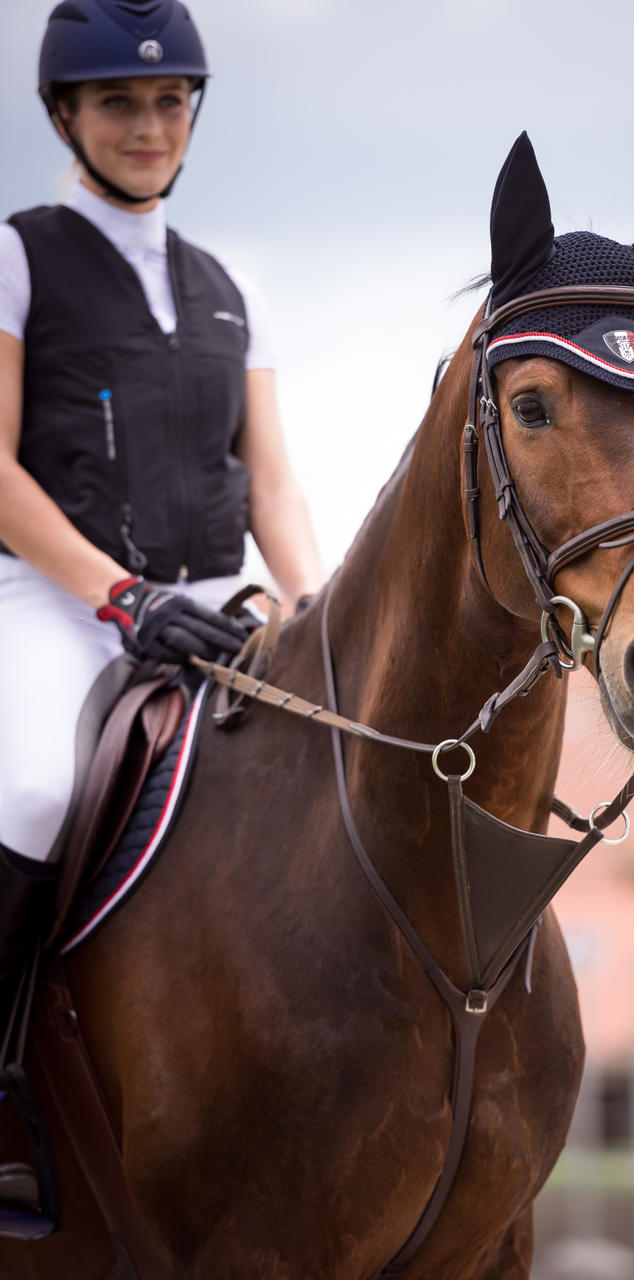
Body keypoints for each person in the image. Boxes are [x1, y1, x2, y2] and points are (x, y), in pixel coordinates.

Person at [0, 0, 324, 1069]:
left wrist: (313, 600)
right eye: (118, 103)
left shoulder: (232, 287)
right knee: (38, 788)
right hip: (65, 603)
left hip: (221, 600)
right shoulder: (19, 260)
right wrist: (122, 596)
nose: (149, 125)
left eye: (169, 101)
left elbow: (269, 479)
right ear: (63, 115)